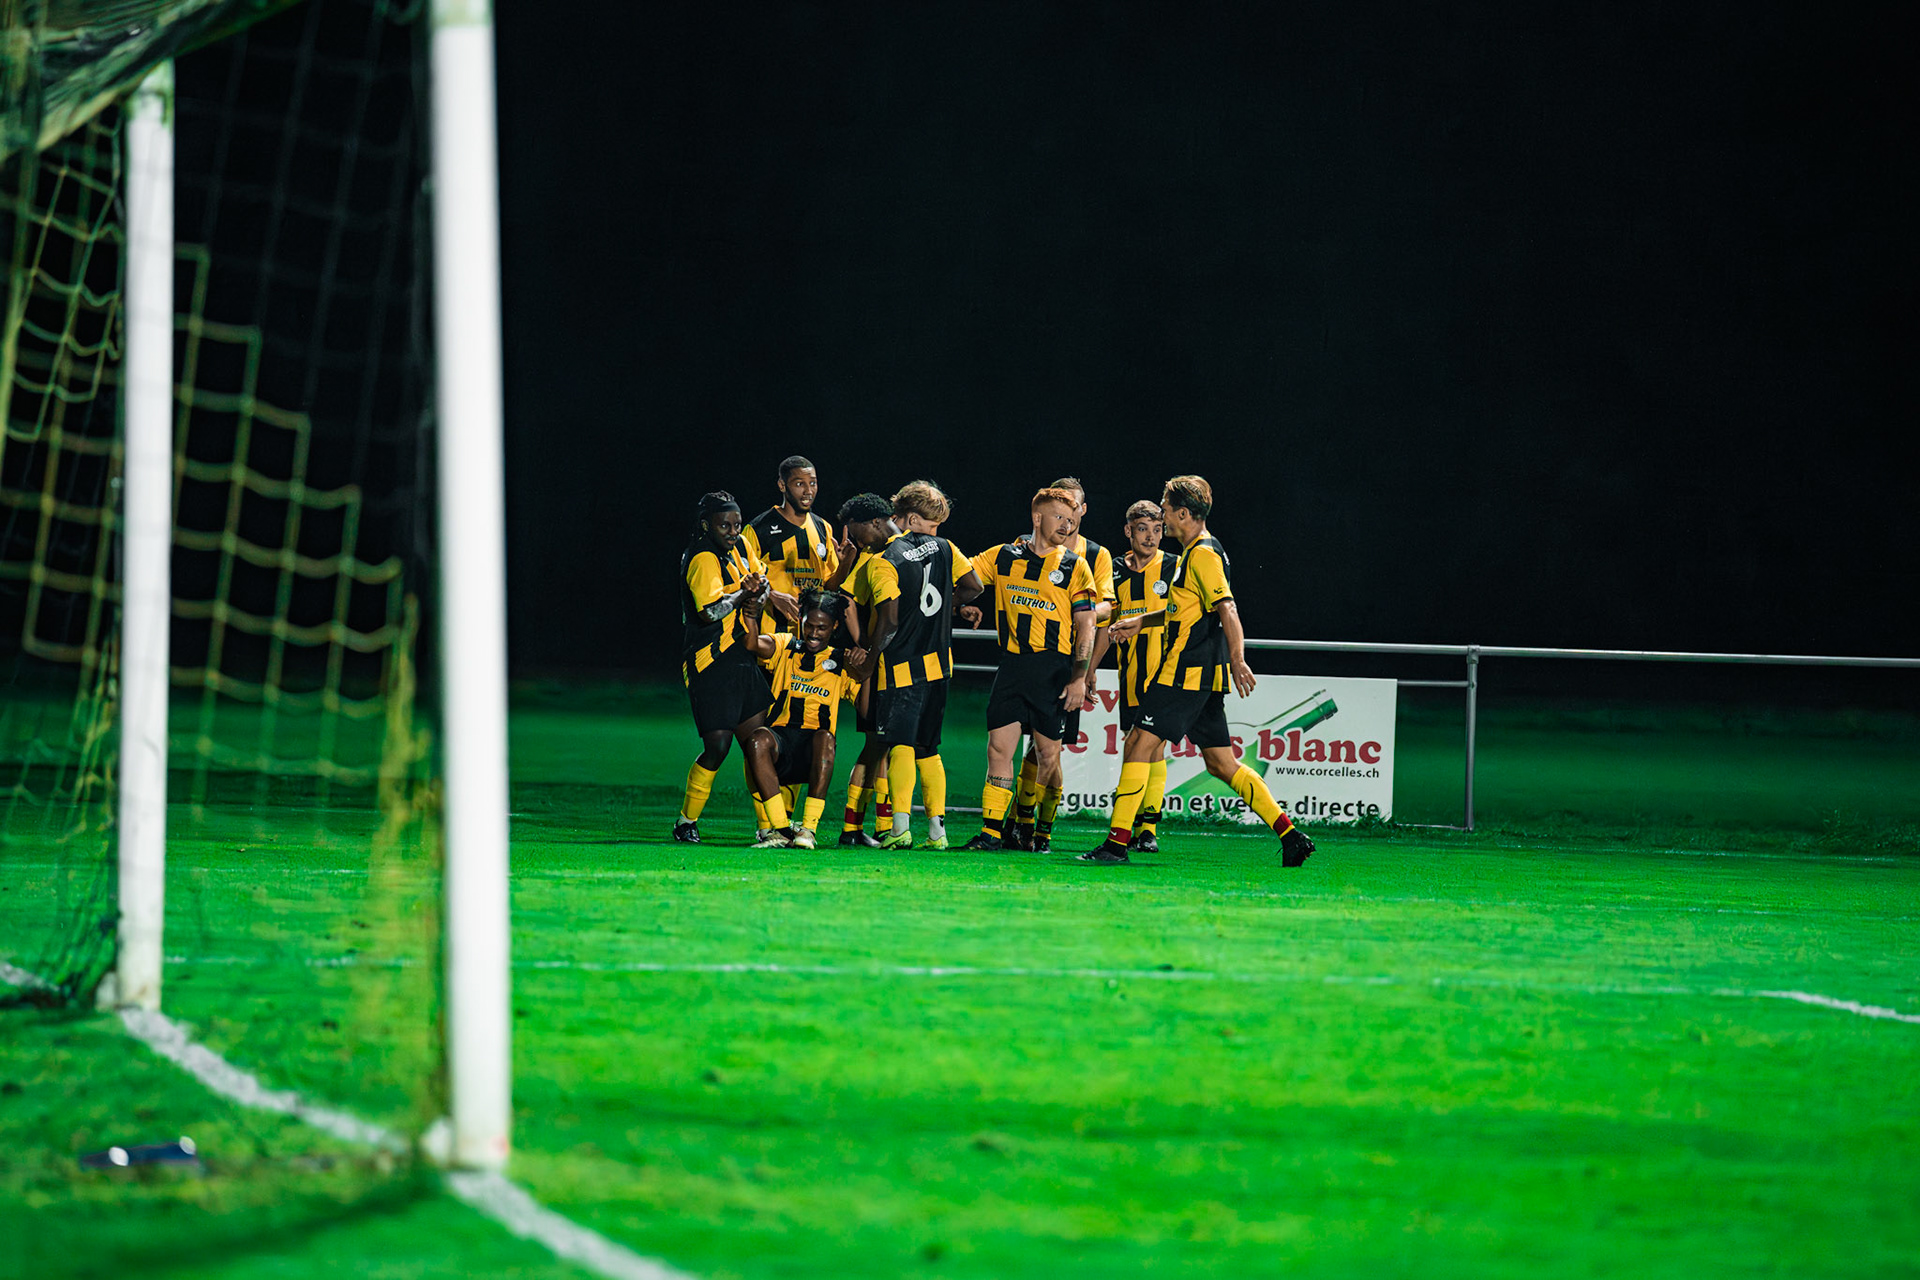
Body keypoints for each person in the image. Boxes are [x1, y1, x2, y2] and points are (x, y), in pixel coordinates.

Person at [1080, 476, 1315, 867]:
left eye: (1166, 510)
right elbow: (1185, 609)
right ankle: (1291, 835)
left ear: (1184, 514)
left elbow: (1227, 608)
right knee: (1221, 763)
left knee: (1137, 744)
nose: (1162, 516)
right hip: (1202, 674)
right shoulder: (1196, 553)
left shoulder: (1202, 554)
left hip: (1185, 670)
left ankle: (1116, 845)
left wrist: (1238, 658)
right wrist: (1142, 621)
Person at [962, 487, 1099, 850]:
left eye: (1070, 520)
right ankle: (991, 834)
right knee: (998, 750)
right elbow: (963, 577)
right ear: (1037, 518)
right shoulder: (1003, 556)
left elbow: (1087, 625)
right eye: (1059, 518)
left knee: (1048, 756)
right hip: (1011, 665)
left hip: (1053, 670)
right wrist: (963, 604)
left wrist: (1079, 677)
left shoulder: (1075, 566)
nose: (1067, 526)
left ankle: (1041, 830)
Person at [852, 481, 983, 849]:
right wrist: (946, 605)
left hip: (902, 666)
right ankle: (938, 833)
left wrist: (869, 662)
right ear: (912, 519)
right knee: (928, 747)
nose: (935, 531)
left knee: (900, 745)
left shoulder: (885, 560)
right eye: (932, 523)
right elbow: (974, 586)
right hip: (940, 665)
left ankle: (899, 829)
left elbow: (890, 620)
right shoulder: (946, 548)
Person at [673, 491, 792, 847]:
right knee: (718, 746)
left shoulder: (741, 547)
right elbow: (709, 610)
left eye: (737, 524)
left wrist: (759, 595)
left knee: (757, 744)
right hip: (710, 659)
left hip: (742, 655)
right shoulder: (702, 557)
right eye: (724, 525)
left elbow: (762, 583)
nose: (733, 531)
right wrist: (743, 595)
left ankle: (773, 826)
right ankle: (686, 822)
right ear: (705, 525)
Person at [1007, 476, 1114, 852]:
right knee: (1027, 746)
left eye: (1074, 506)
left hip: (1066, 664)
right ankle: (1021, 822)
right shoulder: (1024, 545)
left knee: (1047, 749)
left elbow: (1107, 608)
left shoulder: (1095, 555)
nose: (1067, 515)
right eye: (1060, 507)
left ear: (1082, 509)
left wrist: (1087, 667)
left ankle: (1037, 827)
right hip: (1025, 662)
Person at [743, 588, 866, 850]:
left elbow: (866, 711)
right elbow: (752, 645)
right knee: (757, 739)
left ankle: (808, 829)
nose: (813, 633)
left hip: (815, 754)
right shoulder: (786, 645)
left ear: (834, 627)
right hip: (780, 747)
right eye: (809, 625)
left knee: (825, 738)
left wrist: (865, 673)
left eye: (822, 628)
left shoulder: (840, 660)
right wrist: (751, 617)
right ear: (801, 620)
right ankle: (781, 830)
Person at [1090, 499, 1177, 851]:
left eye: (1157, 530)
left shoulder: (1173, 567)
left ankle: (1147, 828)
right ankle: (1139, 824)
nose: (1150, 537)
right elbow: (1107, 624)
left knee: (1153, 745)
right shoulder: (1113, 571)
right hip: (1130, 675)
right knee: (1137, 743)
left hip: (1166, 673)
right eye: (1143, 529)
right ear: (1128, 531)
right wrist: (1090, 669)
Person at [834, 492, 900, 847]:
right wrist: (865, 646)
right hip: (882, 664)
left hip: (900, 663)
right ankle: (857, 827)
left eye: (856, 530)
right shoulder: (873, 558)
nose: (854, 540)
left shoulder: (899, 553)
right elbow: (844, 599)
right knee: (877, 743)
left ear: (874, 522)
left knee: (884, 746)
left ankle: (878, 826)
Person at [741, 455, 845, 623]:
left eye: (813, 483)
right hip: (772, 630)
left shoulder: (823, 528)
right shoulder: (757, 529)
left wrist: (845, 563)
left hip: (811, 631)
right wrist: (772, 595)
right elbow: (741, 580)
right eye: (799, 484)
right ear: (782, 485)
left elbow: (829, 588)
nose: (808, 491)